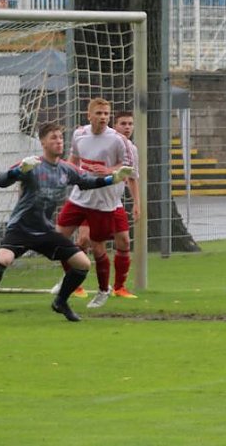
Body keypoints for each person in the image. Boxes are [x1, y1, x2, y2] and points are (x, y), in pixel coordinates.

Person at [0, 122, 133, 322]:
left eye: (60, 138)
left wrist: (112, 179)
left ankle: (61, 302)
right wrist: (18, 171)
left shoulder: (66, 169)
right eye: (53, 138)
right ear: (43, 143)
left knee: (82, 264)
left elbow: (86, 181)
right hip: (21, 228)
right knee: (3, 260)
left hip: (45, 231)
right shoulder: (32, 165)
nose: (58, 141)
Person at [55, 98, 134, 309]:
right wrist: (63, 176)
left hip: (103, 202)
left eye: (106, 113)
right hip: (79, 197)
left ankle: (103, 290)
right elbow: (73, 159)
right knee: (58, 238)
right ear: (89, 115)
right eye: (99, 113)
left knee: (98, 247)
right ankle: (71, 279)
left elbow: (126, 167)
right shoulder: (79, 134)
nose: (103, 117)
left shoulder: (118, 140)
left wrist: (109, 170)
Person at [73, 111, 141, 298]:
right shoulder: (99, 140)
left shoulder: (131, 149)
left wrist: (137, 204)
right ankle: (75, 284)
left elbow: (132, 177)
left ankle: (119, 287)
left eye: (130, 124)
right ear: (114, 125)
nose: (127, 127)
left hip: (113, 202)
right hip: (89, 200)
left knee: (124, 241)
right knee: (84, 240)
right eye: (123, 124)